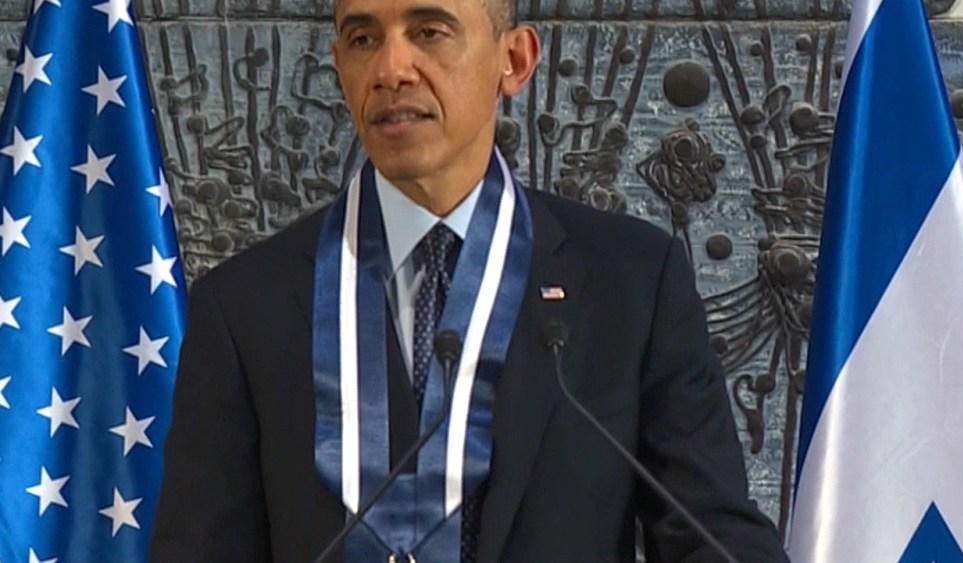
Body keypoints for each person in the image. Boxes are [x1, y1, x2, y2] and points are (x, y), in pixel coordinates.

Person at [149, 0, 788, 561]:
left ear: (514, 60)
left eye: (429, 32)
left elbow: (712, 535)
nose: (391, 69)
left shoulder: (633, 284)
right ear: (339, 67)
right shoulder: (243, 307)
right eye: (363, 38)